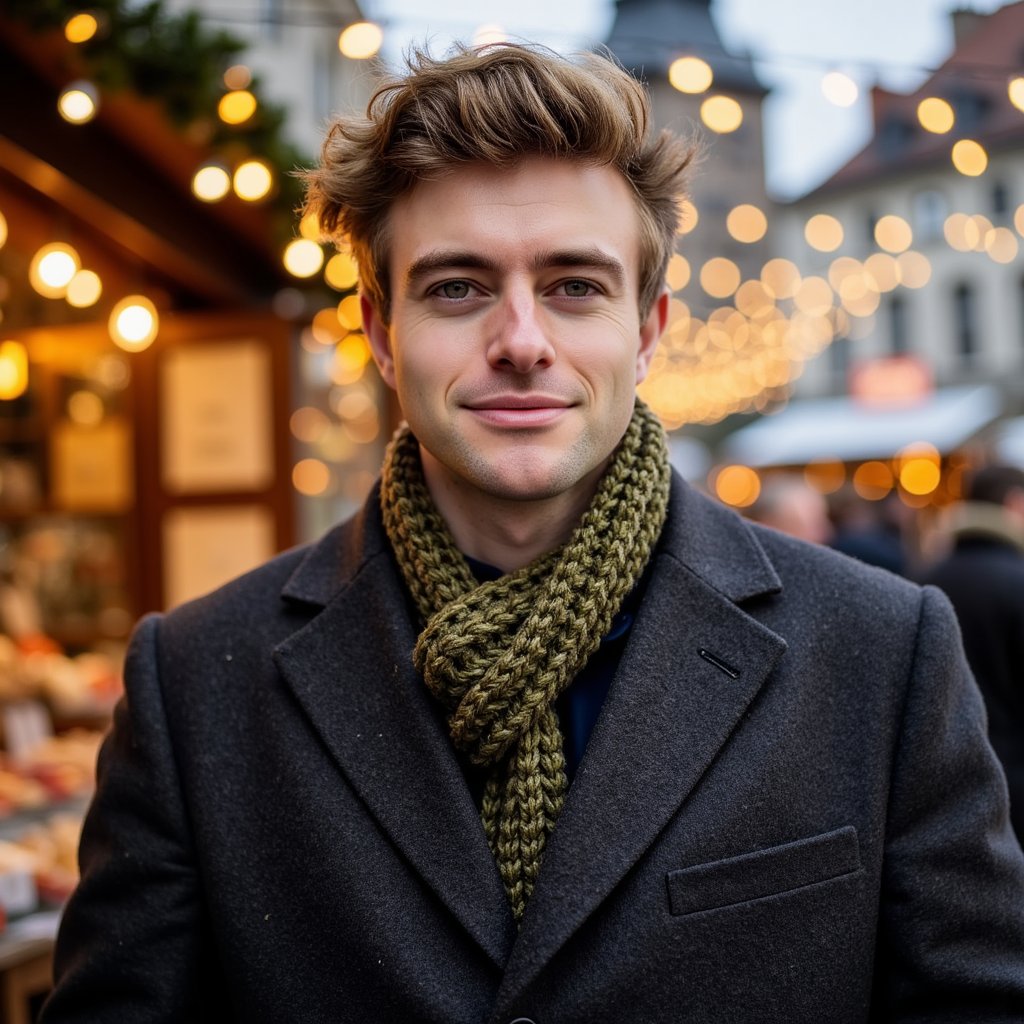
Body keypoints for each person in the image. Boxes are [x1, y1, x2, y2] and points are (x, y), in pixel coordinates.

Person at [42, 44, 1024, 1023]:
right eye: (457, 288)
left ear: (647, 328)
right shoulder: (198, 680)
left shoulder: (879, 653)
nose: (520, 339)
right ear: (382, 333)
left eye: (574, 286)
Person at [923, 463, 1024, 841]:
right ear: (1015, 503)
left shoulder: (926, 578)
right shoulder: (1017, 580)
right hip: (1015, 775)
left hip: (947, 781)